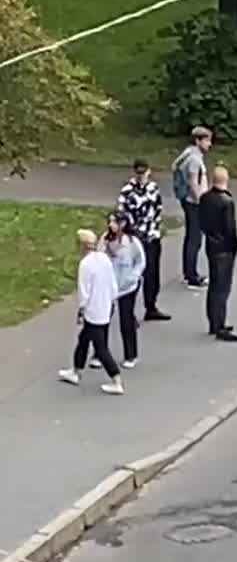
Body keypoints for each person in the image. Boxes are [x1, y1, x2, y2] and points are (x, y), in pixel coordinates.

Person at [59, 229, 123, 394]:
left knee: (100, 348)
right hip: (106, 305)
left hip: (93, 310)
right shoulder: (104, 259)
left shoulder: (85, 264)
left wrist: (81, 309)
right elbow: (113, 284)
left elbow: (84, 291)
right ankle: (76, 370)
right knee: (83, 339)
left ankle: (116, 379)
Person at [117, 158, 169, 320]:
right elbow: (122, 214)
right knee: (133, 275)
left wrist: (154, 229)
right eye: (138, 173)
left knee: (152, 274)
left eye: (144, 172)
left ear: (149, 171)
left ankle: (151, 306)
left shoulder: (153, 189)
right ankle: (129, 310)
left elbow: (158, 209)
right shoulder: (127, 190)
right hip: (135, 238)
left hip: (151, 236)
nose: (141, 176)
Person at [199, 164, 237, 342]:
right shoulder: (227, 202)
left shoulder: (205, 198)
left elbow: (202, 223)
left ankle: (213, 322)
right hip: (224, 249)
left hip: (211, 246)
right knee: (223, 289)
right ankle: (220, 326)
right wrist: (234, 246)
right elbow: (230, 228)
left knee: (214, 285)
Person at [105, 209, 146, 368]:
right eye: (110, 221)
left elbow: (140, 261)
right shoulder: (107, 240)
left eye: (114, 222)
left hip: (127, 287)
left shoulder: (132, 242)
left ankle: (131, 354)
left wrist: (133, 277)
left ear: (123, 224)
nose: (111, 225)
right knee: (103, 320)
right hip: (109, 286)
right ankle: (100, 353)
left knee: (126, 319)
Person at [173, 125, 212, 288]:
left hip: (187, 201)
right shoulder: (194, 159)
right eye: (207, 140)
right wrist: (201, 201)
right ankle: (192, 277)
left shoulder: (187, 154)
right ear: (198, 141)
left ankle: (188, 272)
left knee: (191, 237)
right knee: (195, 239)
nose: (210, 144)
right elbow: (193, 182)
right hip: (194, 203)